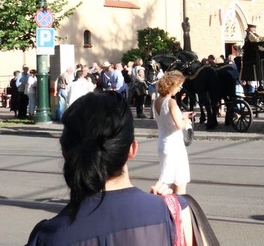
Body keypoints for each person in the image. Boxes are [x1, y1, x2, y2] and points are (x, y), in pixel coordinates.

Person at [26, 92, 190, 244]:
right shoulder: (173, 213)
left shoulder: (48, 236)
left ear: (65, 153)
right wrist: (154, 205)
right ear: (132, 150)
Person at [153, 70, 193, 195]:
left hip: (163, 142)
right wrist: (186, 119)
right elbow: (179, 124)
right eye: (179, 85)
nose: (180, 89)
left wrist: (182, 115)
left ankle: (169, 206)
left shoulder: (157, 101)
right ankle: (178, 209)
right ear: (172, 85)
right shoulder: (171, 102)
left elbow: (167, 118)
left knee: (169, 178)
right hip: (174, 144)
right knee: (179, 182)